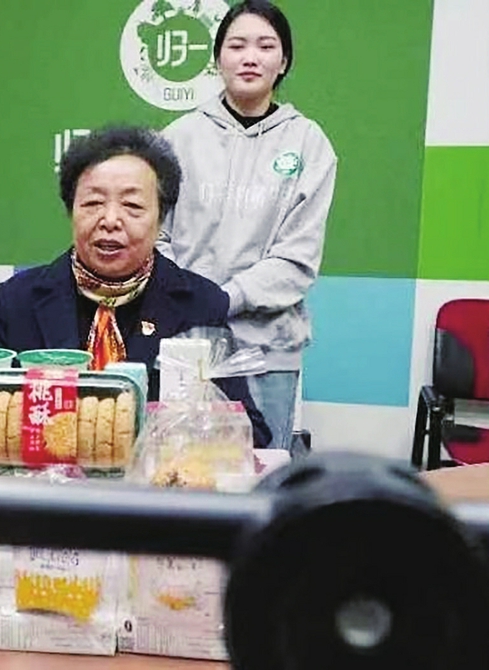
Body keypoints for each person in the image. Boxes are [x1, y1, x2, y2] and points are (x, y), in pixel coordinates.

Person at [0, 126, 272, 448]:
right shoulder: (18, 301)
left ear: (160, 219)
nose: (110, 220)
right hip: (46, 477)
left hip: (157, 479)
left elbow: (252, 435)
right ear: (71, 210)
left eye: (133, 206)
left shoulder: (200, 305)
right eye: (93, 203)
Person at [158, 0, 337, 455]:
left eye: (265, 46)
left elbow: (297, 258)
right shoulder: (178, 138)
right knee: (179, 469)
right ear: (217, 59)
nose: (250, 57)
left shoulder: (308, 143)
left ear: (284, 62)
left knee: (260, 469)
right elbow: (155, 237)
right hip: (185, 341)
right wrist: (191, 297)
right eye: (236, 46)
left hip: (268, 349)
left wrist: (226, 298)